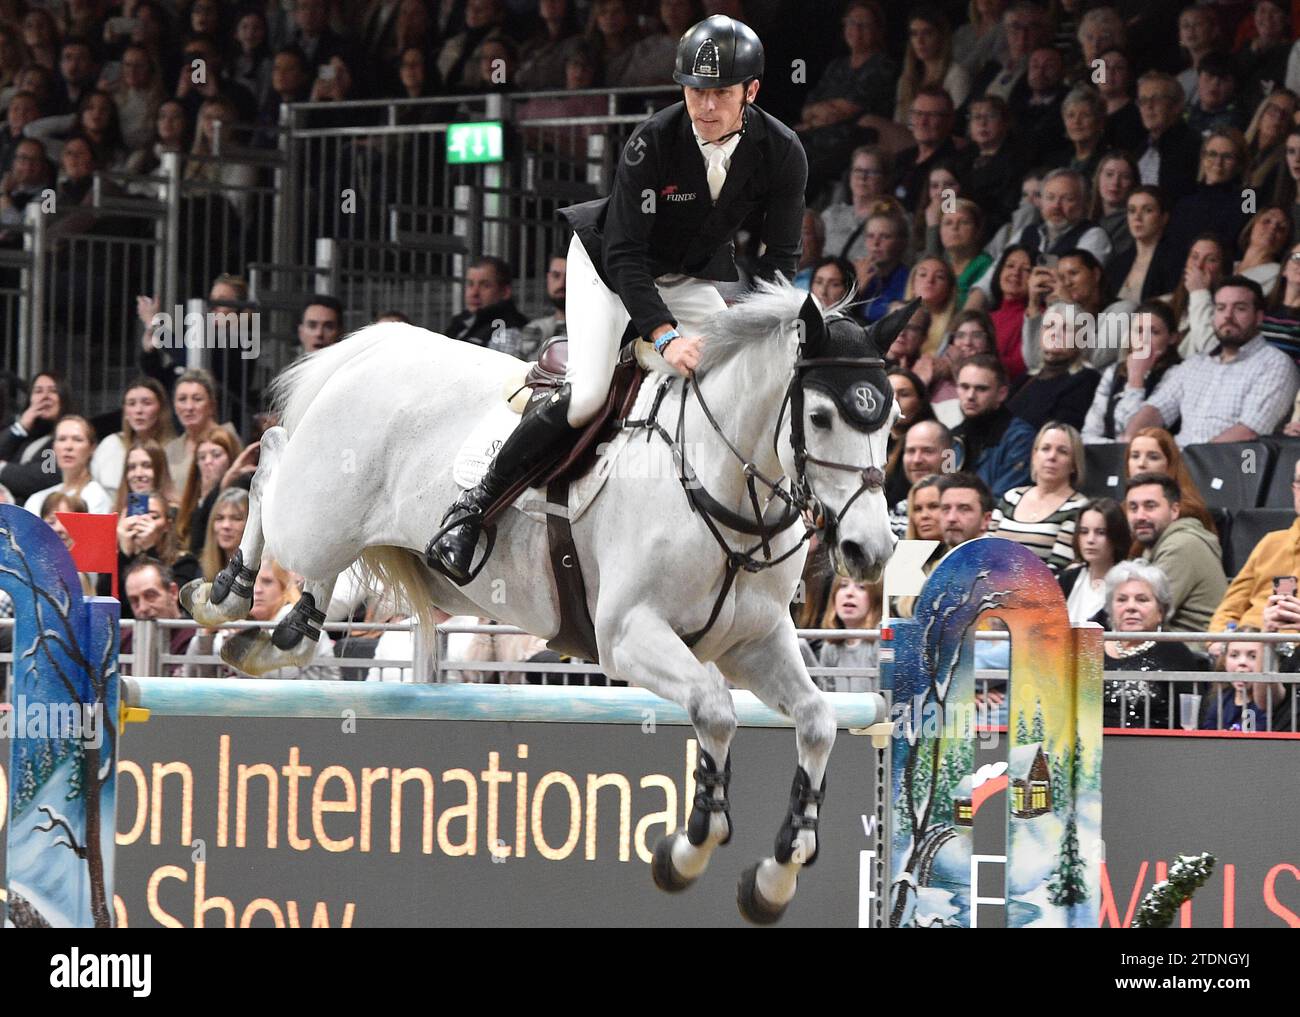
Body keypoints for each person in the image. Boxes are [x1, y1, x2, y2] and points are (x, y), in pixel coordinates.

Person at [428, 15, 805, 584]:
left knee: (740, 379)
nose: (705, 106)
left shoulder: (783, 151)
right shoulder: (651, 141)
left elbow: (779, 262)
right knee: (587, 396)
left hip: (687, 277)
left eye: (721, 93)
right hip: (606, 268)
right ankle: (472, 510)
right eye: (696, 91)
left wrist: (771, 335)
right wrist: (665, 335)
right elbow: (627, 256)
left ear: (750, 92)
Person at [1125, 276, 1300, 445]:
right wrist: (1132, 440)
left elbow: (1249, 432)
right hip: (1177, 463)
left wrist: (1188, 462)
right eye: (1221, 308)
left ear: (1259, 317)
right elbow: (1155, 409)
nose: (1228, 316)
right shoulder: (1195, 364)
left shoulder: (1275, 364)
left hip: (1233, 467)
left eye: (1240, 308)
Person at [184, 559, 340, 680]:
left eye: (267, 582)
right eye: (253, 583)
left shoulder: (301, 622)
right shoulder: (241, 624)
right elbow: (193, 676)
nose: (257, 590)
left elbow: (271, 678)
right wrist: (207, 635)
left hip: (315, 715)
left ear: (285, 588)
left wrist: (235, 644)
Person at [1101, 559, 1209, 729]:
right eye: (1122, 599)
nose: (1131, 607)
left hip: (1156, 748)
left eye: (1142, 600)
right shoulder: (1091, 651)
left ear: (1161, 611)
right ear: (1110, 608)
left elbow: (1192, 720)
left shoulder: (1175, 653)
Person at [1124, 471, 1227, 633]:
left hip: (1192, 651)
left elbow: (1145, 617)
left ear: (1174, 510)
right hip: (1166, 645)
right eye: (1133, 508)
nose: (1140, 516)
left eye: (1150, 506)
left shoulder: (1181, 545)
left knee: (1086, 651)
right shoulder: (1154, 544)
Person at [1210, 456, 1300, 633]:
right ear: (1294, 489)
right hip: (1249, 648)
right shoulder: (1271, 543)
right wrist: (1219, 642)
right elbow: (1229, 610)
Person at [991, 421, 1088, 574]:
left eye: (1062, 451)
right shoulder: (1011, 497)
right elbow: (984, 552)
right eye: (1045, 448)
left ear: (1074, 464)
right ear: (1034, 456)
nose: (1052, 457)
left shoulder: (1078, 507)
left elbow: (1057, 569)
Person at [1082, 301, 1182, 444]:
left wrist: (1136, 379)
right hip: (1108, 458)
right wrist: (1114, 446)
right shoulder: (1114, 371)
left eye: (1154, 332)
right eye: (1139, 331)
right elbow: (1088, 433)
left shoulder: (1178, 373)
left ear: (1172, 338)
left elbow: (1135, 434)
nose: (1144, 340)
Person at [100, 491, 201, 618]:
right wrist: (124, 553)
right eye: (136, 516)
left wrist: (150, 548)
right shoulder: (116, 561)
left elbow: (173, 606)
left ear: (167, 525)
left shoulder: (185, 562)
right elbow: (105, 605)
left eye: (153, 517)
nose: (143, 523)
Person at [1008, 303, 1102, 431]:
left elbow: (1061, 429)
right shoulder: (1027, 378)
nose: (1054, 334)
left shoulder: (1087, 379)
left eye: (1065, 329)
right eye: (1049, 326)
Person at [951, 354, 1034, 497]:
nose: (970, 395)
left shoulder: (1020, 439)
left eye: (981, 389)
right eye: (964, 387)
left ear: (1001, 394)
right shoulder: (953, 438)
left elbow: (1003, 499)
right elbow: (945, 483)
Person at [1167, 127, 1251, 265]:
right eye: (1212, 154)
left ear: (1240, 163)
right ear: (1203, 157)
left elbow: (1244, 239)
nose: (1218, 163)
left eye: (1227, 157)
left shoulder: (1249, 196)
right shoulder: (1187, 193)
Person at [1121, 426, 1218, 542]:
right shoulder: (1121, 509)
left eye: (1153, 457)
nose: (1141, 464)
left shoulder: (1188, 512)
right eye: (1135, 456)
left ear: (1170, 465)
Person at [89, 376, 174, 497]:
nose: (138, 410)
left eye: (146, 403)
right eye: (131, 403)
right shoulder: (111, 445)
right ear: (125, 411)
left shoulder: (174, 449)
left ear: (161, 409)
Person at [800, 576, 883, 693]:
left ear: (876, 599)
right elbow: (828, 696)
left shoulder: (881, 642)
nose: (850, 593)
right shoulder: (830, 647)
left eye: (861, 587)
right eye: (843, 585)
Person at [119, 558, 197, 677]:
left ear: (173, 593)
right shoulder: (124, 640)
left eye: (150, 596)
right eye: (134, 601)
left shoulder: (195, 636)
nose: (143, 607)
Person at [1134, 71, 1201, 208]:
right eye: (1143, 101)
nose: (1148, 106)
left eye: (1156, 99)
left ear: (1177, 106)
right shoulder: (1139, 149)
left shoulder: (1193, 147)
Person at [1058, 497, 1130, 625]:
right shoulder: (1067, 580)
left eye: (1101, 532)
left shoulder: (1130, 582)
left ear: (1116, 535)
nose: (1090, 540)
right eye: (1084, 532)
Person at [1104, 186, 1182, 304]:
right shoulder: (1118, 263)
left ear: (1164, 218)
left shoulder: (1175, 260)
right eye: (1132, 210)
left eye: (1147, 210)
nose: (1137, 217)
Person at [0, 371, 70, 502]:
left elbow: (44, 477)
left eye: (53, 391)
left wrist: (3, 469)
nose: (45, 397)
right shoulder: (21, 436)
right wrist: (21, 426)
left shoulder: (64, 438)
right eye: (38, 391)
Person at [23, 415, 112, 516]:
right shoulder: (36, 500)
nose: (68, 446)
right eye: (62, 439)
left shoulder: (96, 496)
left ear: (92, 448)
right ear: (54, 447)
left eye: (77, 439)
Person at [163, 368, 240, 482]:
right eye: (182, 399)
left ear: (211, 405)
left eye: (197, 399)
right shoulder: (170, 449)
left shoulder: (228, 438)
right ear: (174, 406)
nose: (189, 407)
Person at [1201, 631, 1286, 731]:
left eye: (1253, 656)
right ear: (1224, 660)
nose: (1242, 662)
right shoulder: (1219, 700)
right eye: (1234, 655)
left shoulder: (1270, 703)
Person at [821, 146, 891, 263]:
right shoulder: (831, 215)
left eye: (872, 172)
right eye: (858, 170)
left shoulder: (891, 220)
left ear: (885, 179)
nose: (862, 177)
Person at [443, 255, 529, 348]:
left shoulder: (506, 329)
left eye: (485, 285)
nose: (474, 293)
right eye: (470, 284)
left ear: (505, 292)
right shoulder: (461, 322)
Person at [888, 424, 952, 536]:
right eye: (911, 451)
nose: (917, 460)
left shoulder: (969, 506)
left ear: (948, 457)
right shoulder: (892, 518)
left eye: (927, 451)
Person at [983, 243, 1032, 382]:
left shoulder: (1036, 317)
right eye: (1010, 266)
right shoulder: (987, 317)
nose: (1015, 273)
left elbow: (1020, 366)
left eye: (1026, 270)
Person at [113, 438, 178, 513]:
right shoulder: (118, 511)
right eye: (132, 467)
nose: (138, 474)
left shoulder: (174, 512)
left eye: (147, 466)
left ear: (160, 470)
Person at [198, 487, 249, 583]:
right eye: (220, 518)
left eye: (236, 518)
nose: (226, 526)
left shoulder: (264, 573)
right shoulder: (201, 570)